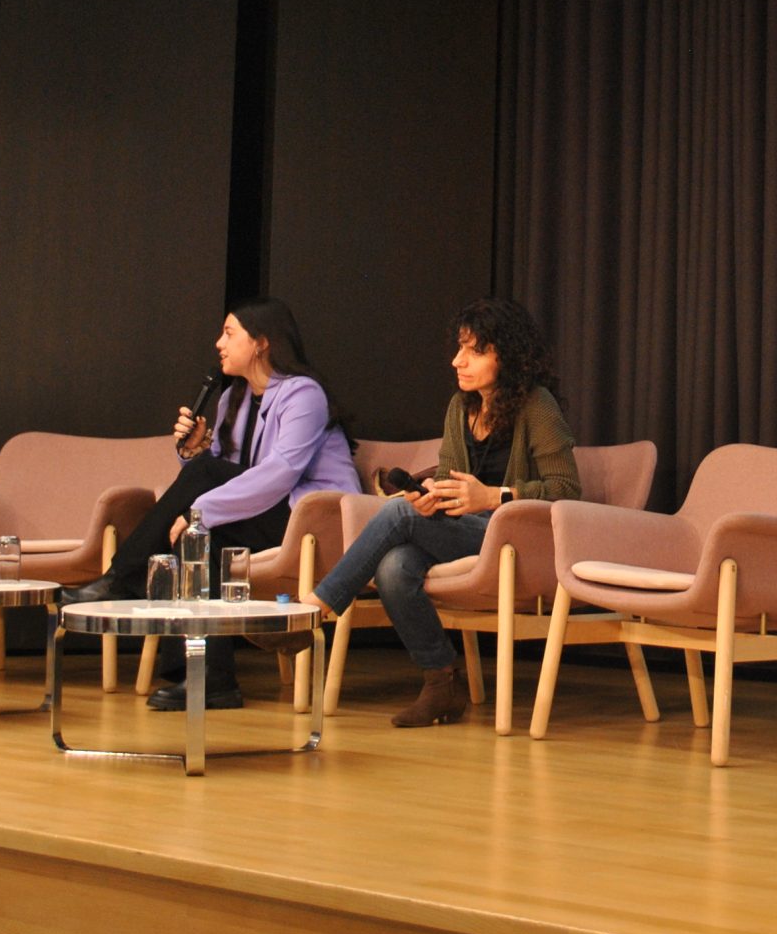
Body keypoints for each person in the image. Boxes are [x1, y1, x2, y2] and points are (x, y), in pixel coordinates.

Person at [61, 296, 359, 710]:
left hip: (313, 522)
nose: (219, 343)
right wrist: (195, 451)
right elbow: (228, 472)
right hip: (266, 516)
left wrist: (198, 510)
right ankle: (209, 679)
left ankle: (122, 578)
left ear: (261, 342)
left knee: (200, 496)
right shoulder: (234, 399)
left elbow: (279, 473)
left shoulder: (303, 394)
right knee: (199, 540)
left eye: (229, 333)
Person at [312, 297, 580, 728]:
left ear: (507, 355)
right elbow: (447, 479)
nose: (458, 360)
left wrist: (493, 497)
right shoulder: (461, 406)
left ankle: (313, 610)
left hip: (517, 542)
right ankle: (441, 683)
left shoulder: (537, 405)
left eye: (474, 351)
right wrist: (431, 496)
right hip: (465, 531)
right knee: (394, 567)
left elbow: (566, 491)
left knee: (398, 517)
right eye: (459, 348)